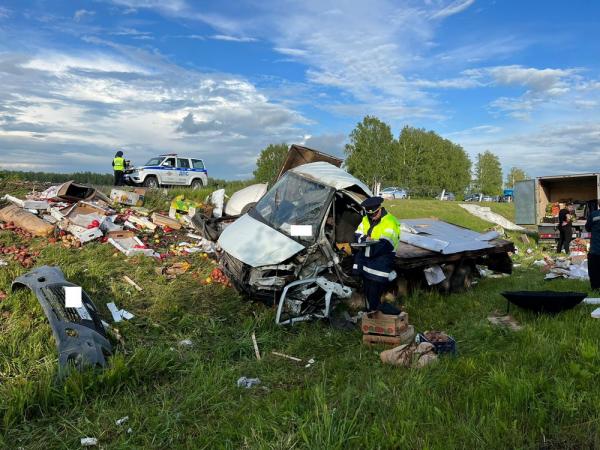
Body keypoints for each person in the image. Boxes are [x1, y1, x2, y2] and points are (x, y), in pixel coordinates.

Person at [353, 196, 400, 313]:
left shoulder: (390, 222)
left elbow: (385, 245)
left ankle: (381, 315)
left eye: (374, 213)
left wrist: (365, 246)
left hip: (380, 264)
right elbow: (358, 234)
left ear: (380, 208)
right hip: (367, 264)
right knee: (368, 291)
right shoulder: (366, 219)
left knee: (375, 293)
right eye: (370, 214)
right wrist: (366, 240)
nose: (372, 216)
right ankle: (371, 314)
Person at [585, 202, 600, 290]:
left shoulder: (593, 214)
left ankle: (595, 287)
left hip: (595, 248)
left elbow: (587, 228)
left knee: (594, 269)